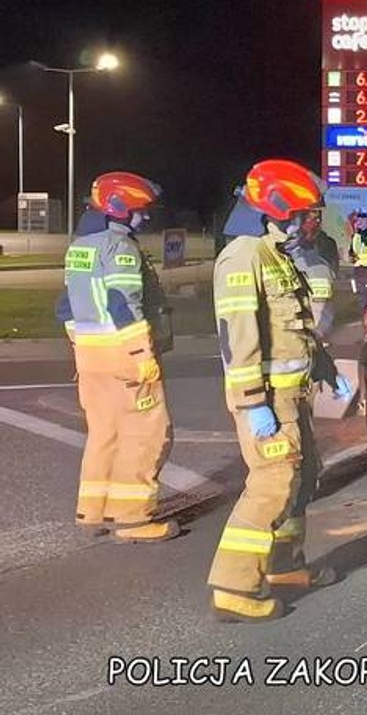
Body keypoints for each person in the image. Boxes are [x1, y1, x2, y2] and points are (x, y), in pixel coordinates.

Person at [208, 159, 339, 622]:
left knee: (301, 483)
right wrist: (253, 405)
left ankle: (284, 565)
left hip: (293, 394)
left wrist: (324, 366)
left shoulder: (278, 253)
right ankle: (233, 584)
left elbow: (296, 328)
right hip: (267, 400)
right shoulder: (245, 256)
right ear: (277, 209)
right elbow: (238, 337)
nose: (310, 223)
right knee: (272, 484)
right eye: (304, 214)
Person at [56, 172, 178, 542]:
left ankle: (92, 511)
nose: (145, 219)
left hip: (90, 356)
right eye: (140, 212)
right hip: (125, 353)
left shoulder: (80, 247)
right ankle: (133, 519)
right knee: (147, 435)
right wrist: (141, 354)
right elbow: (123, 303)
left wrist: (83, 346)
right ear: (119, 209)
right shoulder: (119, 248)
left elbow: (64, 308)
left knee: (104, 434)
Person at [286, 210, 341, 339]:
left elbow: (333, 266)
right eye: (310, 218)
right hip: (306, 288)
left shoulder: (326, 242)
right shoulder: (293, 241)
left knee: (320, 321)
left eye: (315, 218)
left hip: (320, 289)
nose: (313, 222)